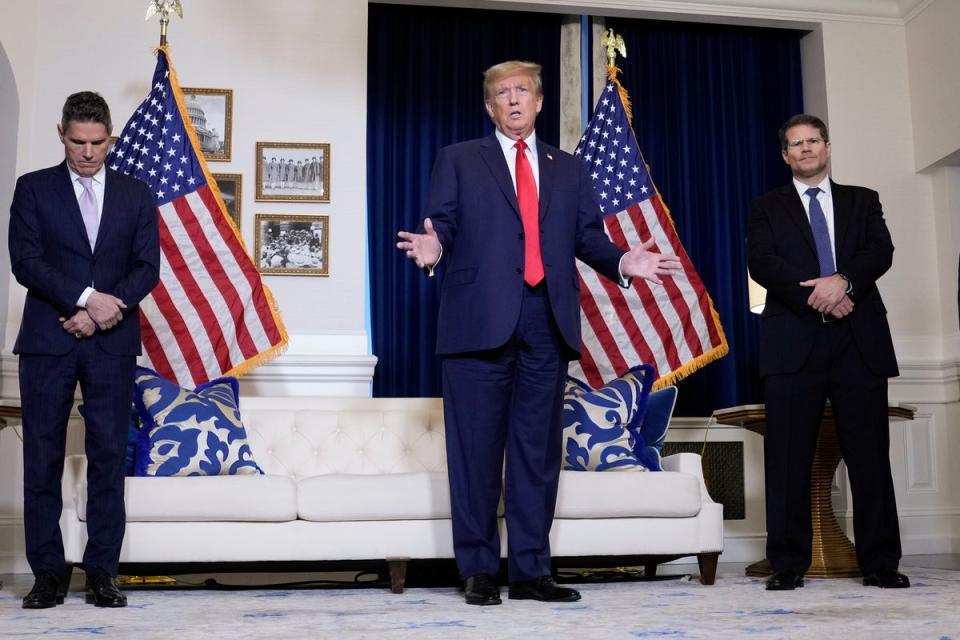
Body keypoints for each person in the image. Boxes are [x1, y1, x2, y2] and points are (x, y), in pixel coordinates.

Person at [397, 60, 680, 606]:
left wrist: (624, 261)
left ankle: (530, 571)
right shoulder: (458, 159)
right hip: (477, 324)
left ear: (539, 100)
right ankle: (478, 569)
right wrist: (432, 252)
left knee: (536, 454)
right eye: (501, 93)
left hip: (546, 323)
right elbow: (441, 225)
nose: (513, 100)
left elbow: (587, 239)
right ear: (489, 106)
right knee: (475, 453)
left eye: (521, 90)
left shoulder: (569, 169)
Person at [9, 91, 160, 608]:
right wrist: (85, 299)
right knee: (43, 460)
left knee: (107, 458)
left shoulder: (136, 194)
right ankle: (47, 575)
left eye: (98, 143)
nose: (89, 153)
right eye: (79, 142)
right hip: (48, 340)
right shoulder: (33, 189)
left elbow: (147, 268)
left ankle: (102, 573)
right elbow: (25, 261)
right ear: (61, 133)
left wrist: (102, 310)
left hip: (112, 342)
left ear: (110, 137)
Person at [746, 114, 908, 591]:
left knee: (870, 456)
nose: (805, 149)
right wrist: (817, 295)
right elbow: (763, 262)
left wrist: (844, 283)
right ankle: (788, 563)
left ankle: (879, 562)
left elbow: (881, 251)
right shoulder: (765, 207)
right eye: (795, 144)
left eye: (812, 141)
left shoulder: (863, 200)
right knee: (788, 457)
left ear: (827, 146)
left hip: (858, 340)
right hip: (793, 340)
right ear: (785, 155)